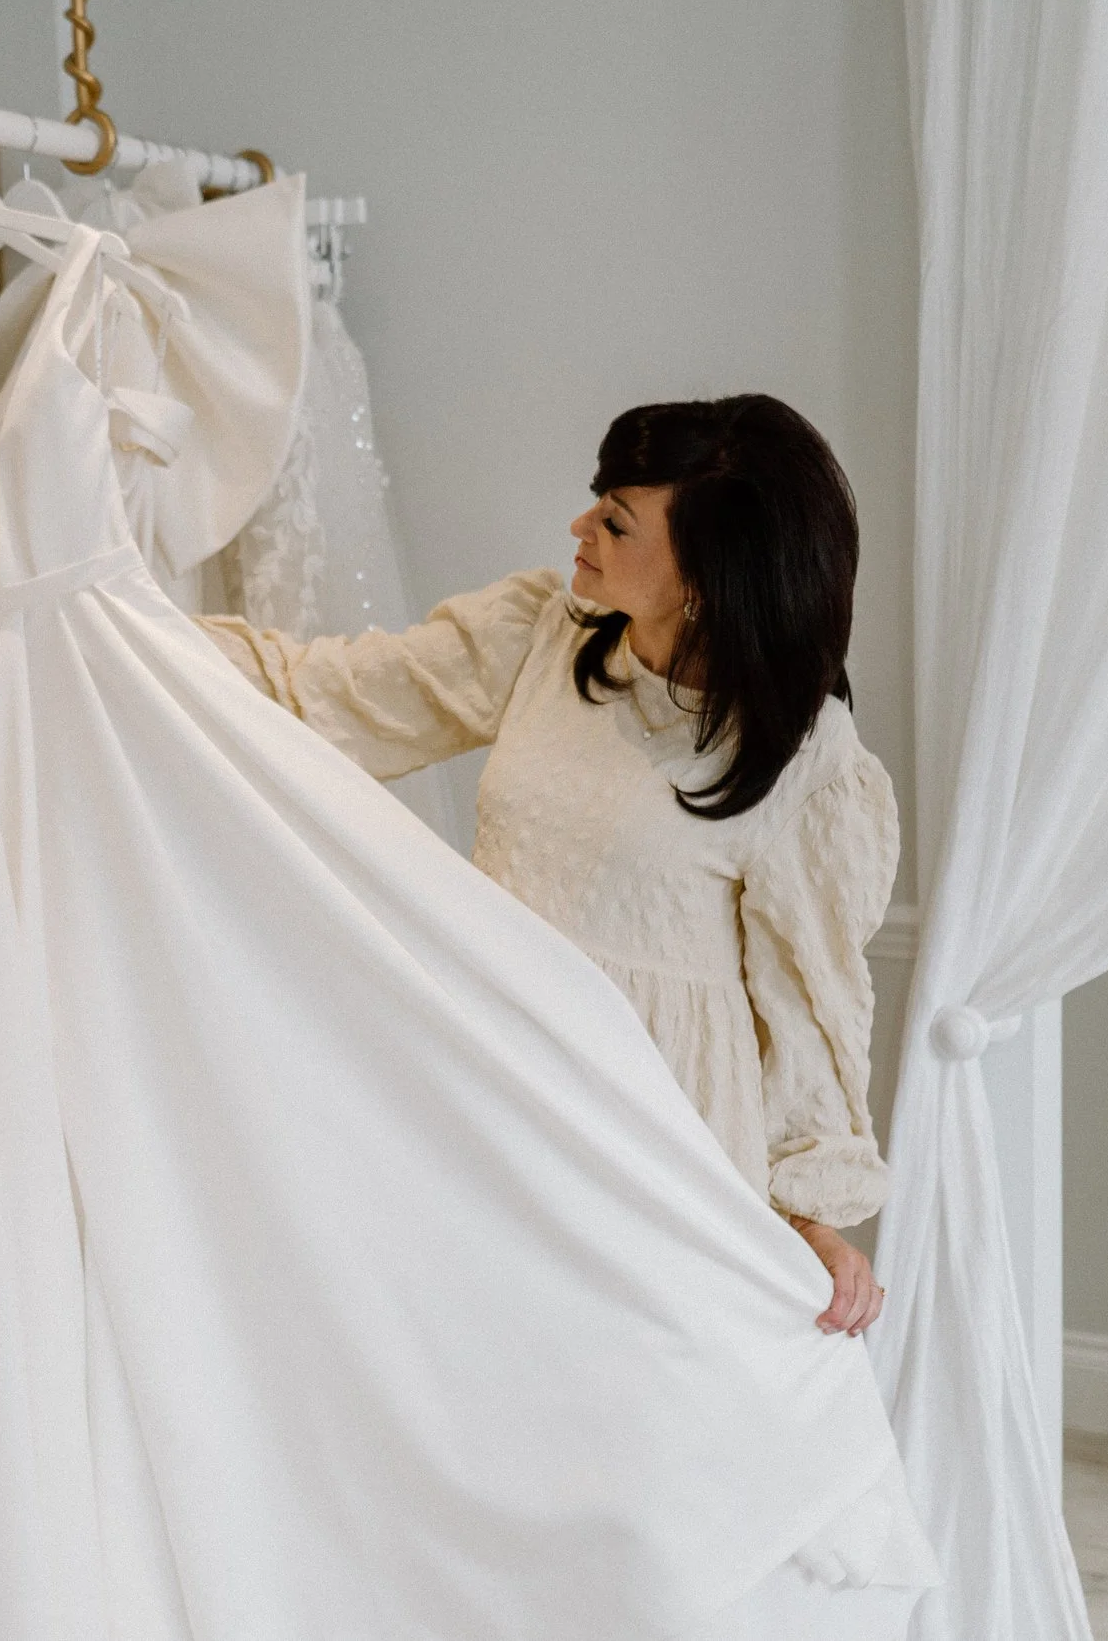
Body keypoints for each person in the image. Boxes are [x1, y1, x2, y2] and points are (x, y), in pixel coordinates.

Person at [198, 393, 895, 1338]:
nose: (582, 527)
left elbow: (807, 1011)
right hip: (492, 1090)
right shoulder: (543, 632)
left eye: (616, 519)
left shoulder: (806, 760)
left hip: (654, 1151)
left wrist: (812, 1217)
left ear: (707, 570)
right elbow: (338, 696)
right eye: (595, 500)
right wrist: (147, 643)